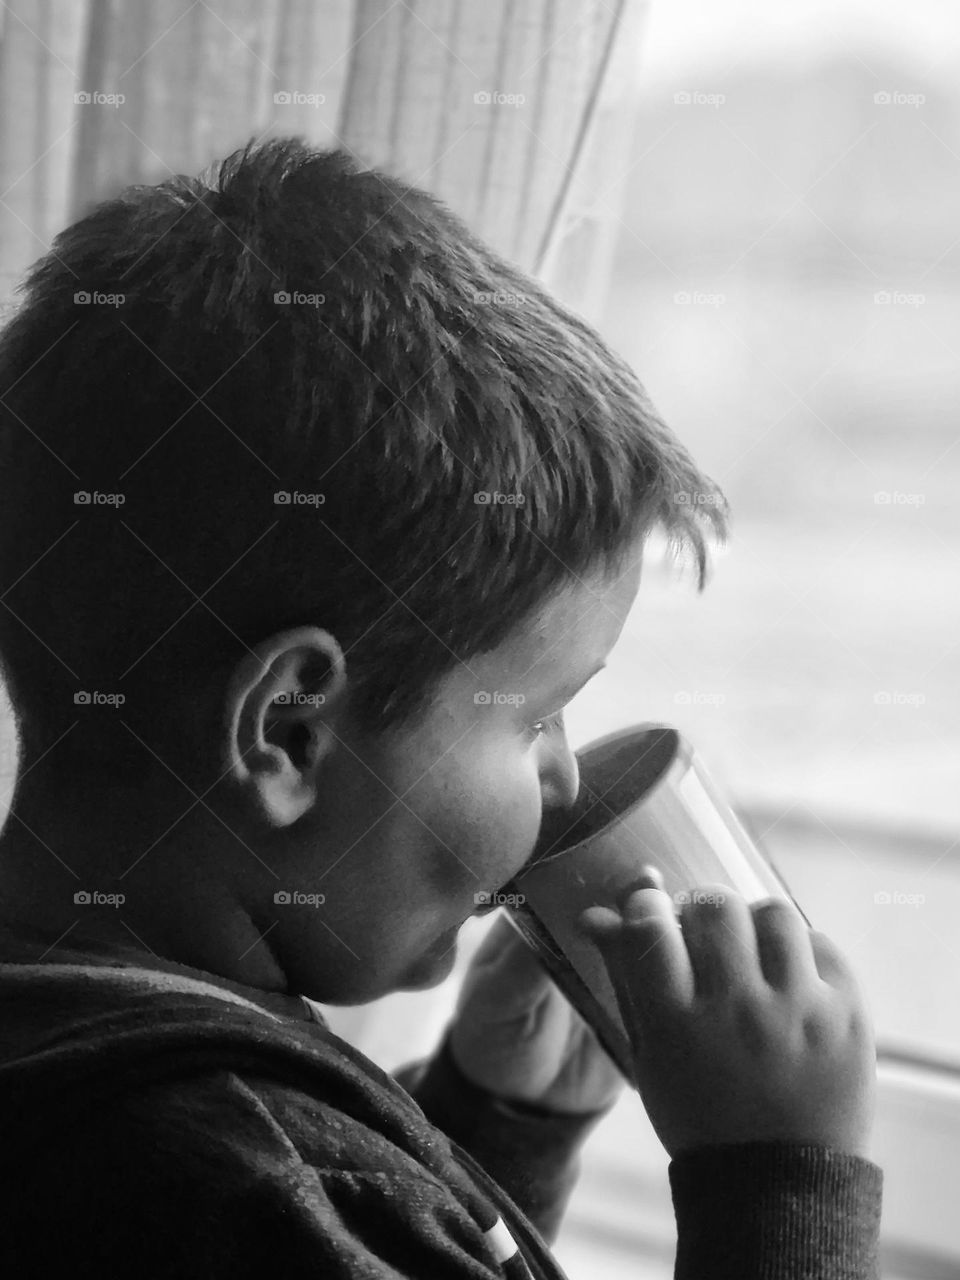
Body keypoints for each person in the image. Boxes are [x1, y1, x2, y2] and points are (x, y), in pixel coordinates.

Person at [0, 137, 882, 1277]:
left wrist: (496, 1120)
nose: (564, 781)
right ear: (289, 731)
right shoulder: (244, 1173)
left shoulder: (95, 1053)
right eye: (533, 717)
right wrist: (781, 1180)